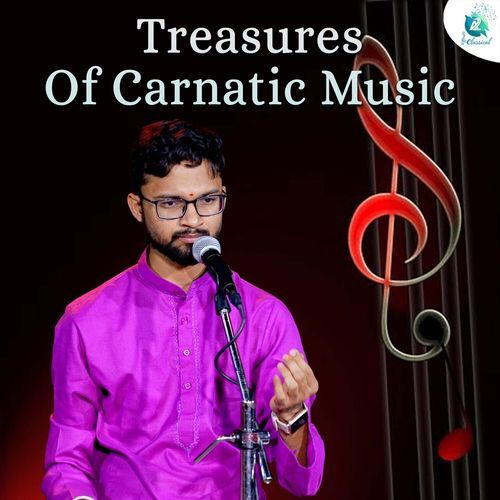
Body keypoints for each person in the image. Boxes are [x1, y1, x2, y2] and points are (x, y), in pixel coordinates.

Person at [41, 119, 326, 499]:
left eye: (207, 200)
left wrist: (292, 418)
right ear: (137, 207)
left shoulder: (264, 316)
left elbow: (302, 482)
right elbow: (67, 460)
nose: (193, 220)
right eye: (171, 203)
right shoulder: (86, 321)